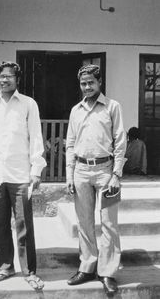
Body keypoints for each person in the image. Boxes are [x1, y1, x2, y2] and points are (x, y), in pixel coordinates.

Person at [0, 61, 46, 289]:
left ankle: (29, 271)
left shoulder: (28, 104)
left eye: (9, 76)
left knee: (24, 225)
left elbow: (36, 136)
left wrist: (36, 169)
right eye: (0, 76)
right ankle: (5, 267)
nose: (4, 80)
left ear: (17, 79)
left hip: (20, 175)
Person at [66, 64, 126, 296]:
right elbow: (70, 143)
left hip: (105, 171)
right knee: (84, 223)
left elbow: (120, 141)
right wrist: (70, 174)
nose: (87, 87)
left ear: (100, 82)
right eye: (83, 83)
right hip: (81, 171)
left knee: (109, 224)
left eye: (91, 82)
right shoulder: (75, 110)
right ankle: (87, 267)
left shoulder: (112, 107)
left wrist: (116, 174)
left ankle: (108, 272)